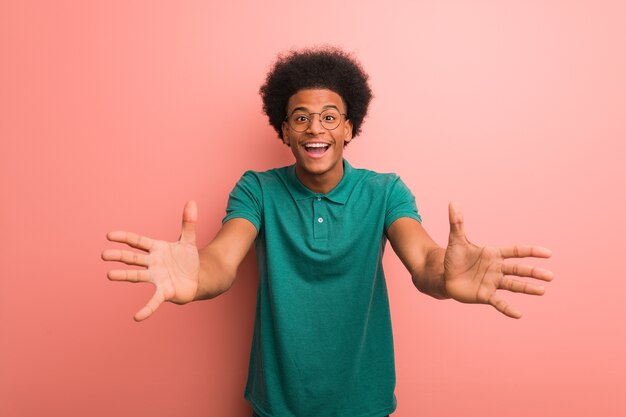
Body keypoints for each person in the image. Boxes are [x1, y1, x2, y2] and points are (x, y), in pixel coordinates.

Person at [101, 47, 553, 417]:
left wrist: (446, 277)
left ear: (350, 127)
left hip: (364, 404)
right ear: (284, 130)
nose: (315, 127)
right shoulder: (257, 189)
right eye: (300, 118)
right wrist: (197, 276)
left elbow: (425, 260)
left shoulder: (384, 191)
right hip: (278, 404)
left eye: (330, 117)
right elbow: (222, 259)